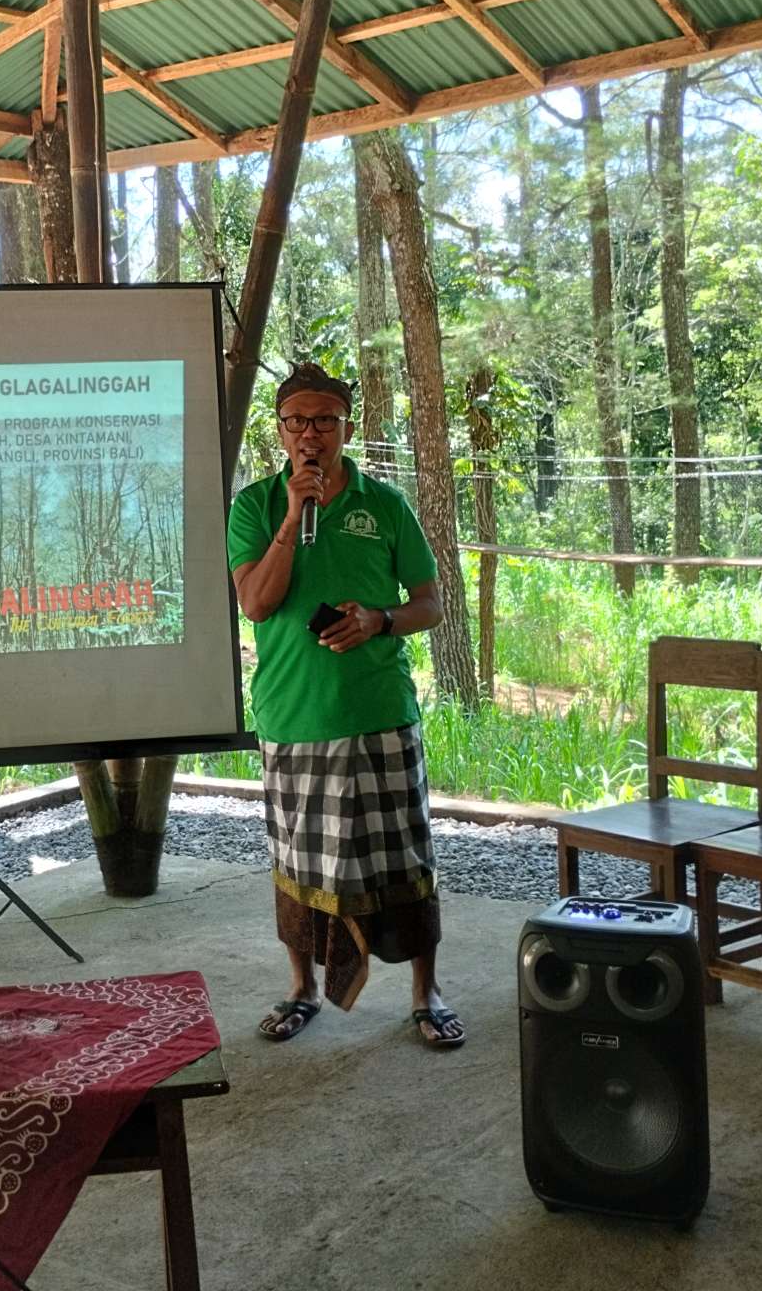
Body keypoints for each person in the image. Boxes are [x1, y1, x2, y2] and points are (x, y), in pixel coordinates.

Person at [225, 362, 461, 1049]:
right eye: (296, 422)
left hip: (380, 713)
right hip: (293, 717)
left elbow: (431, 604)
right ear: (281, 432)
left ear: (347, 429)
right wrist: (295, 514)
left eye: (324, 421)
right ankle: (302, 989)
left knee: (406, 861)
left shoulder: (385, 504)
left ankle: (427, 992)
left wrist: (378, 620)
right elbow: (256, 603)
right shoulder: (256, 506)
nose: (310, 435)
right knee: (298, 867)